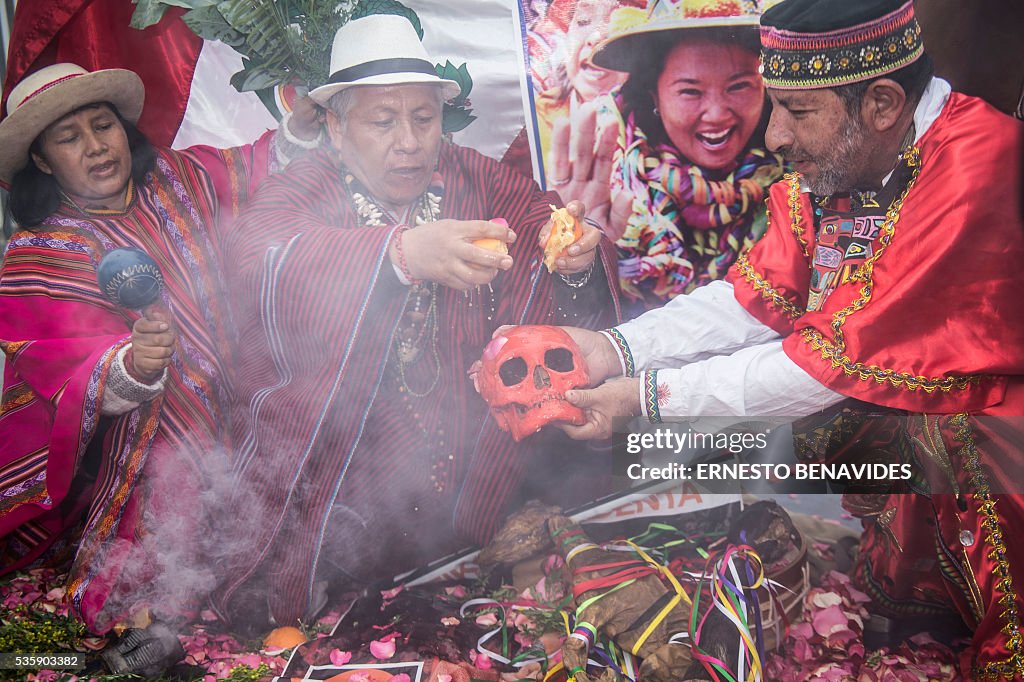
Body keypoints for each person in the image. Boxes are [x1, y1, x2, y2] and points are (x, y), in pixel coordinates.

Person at [535, 0, 1024, 675]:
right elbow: (754, 298)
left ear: (882, 103)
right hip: (903, 410)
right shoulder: (843, 162)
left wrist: (639, 397)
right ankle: (917, 595)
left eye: (797, 111)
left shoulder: (972, 166)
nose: (775, 136)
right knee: (703, 442)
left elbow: (821, 368)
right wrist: (614, 350)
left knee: (951, 429)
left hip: (1001, 428)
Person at [213, 14, 618, 629]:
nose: (408, 141)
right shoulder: (303, 186)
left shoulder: (472, 175)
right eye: (382, 121)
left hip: (475, 465)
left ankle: (475, 552)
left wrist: (573, 258)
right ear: (336, 128)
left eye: (423, 118)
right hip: (349, 482)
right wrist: (399, 255)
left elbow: (545, 224)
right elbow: (263, 261)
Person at [0, 63, 320, 651]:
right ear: (43, 161)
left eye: (104, 126)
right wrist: (130, 365)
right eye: (70, 139)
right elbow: (53, 364)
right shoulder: (40, 251)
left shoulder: (180, 176)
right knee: (167, 488)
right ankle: (158, 598)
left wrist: (300, 124)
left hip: (251, 394)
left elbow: (260, 169)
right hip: (147, 439)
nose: (97, 147)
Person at [552, 0, 787, 316]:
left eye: (739, 86)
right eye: (690, 91)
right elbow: (582, 321)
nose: (716, 114)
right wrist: (582, 256)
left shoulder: (798, 183)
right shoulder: (610, 185)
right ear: (655, 97)